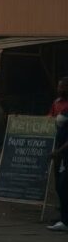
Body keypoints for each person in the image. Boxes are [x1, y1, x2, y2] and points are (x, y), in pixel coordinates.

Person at [48, 77, 68, 232]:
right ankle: (63, 215)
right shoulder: (57, 103)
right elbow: (50, 120)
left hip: (63, 152)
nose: (59, 89)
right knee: (60, 185)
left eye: (62, 86)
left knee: (63, 184)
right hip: (59, 152)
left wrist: (59, 150)